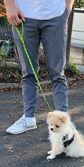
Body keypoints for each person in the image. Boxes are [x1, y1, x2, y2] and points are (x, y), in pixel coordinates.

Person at [4, 0, 75, 134]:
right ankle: (28, 118)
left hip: (56, 14)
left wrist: (67, 8)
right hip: (22, 16)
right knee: (28, 72)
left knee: (58, 73)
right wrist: (10, 6)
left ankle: (64, 123)